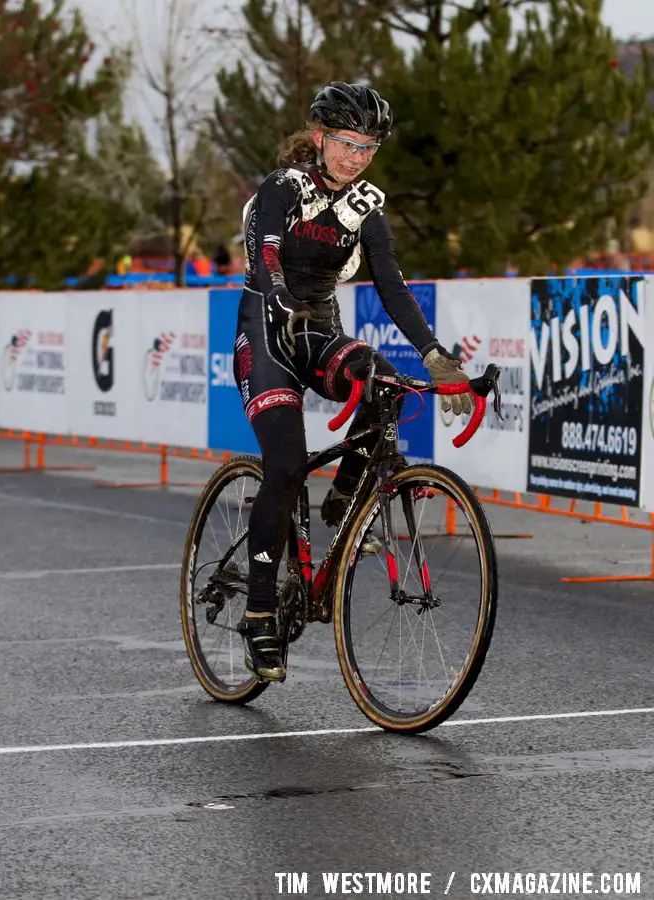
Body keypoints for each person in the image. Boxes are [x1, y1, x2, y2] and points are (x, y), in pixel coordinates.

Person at [233, 81, 473, 682]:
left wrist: (436, 354)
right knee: (285, 466)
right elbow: (265, 255)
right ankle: (259, 610)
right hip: (266, 333)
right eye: (346, 144)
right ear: (319, 137)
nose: (357, 157)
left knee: (386, 380)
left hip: (318, 331)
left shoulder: (365, 204)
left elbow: (391, 287)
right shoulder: (284, 187)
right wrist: (285, 297)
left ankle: (344, 502)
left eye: (368, 147)